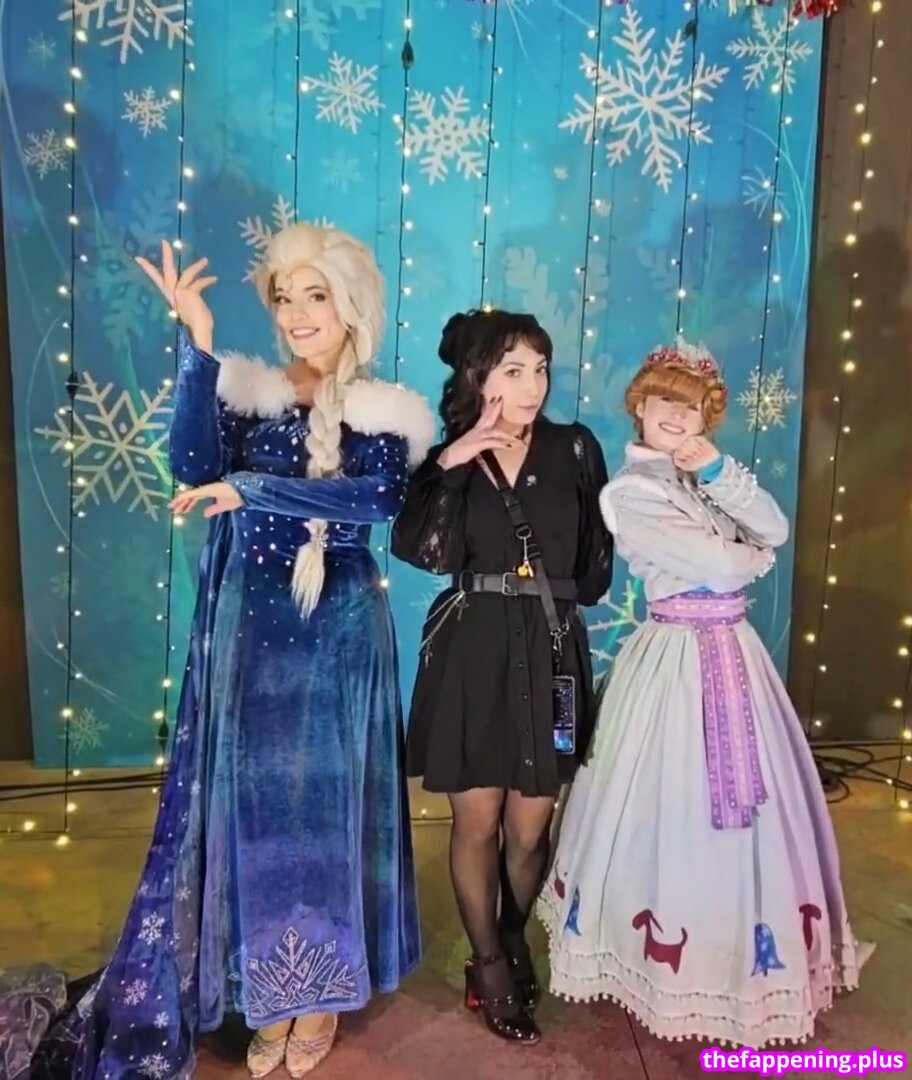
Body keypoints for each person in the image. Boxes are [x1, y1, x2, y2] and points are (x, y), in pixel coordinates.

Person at [31, 223, 433, 1079]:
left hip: (337, 634)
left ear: (351, 304)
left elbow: (375, 499)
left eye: (313, 295)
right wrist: (200, 344)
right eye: (284, 298)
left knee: (325, 813)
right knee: (258, 812)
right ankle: (270, 987)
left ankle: (320, 994)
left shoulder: (384, 409)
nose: (295, 313)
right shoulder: (251, 392)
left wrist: (250, 489)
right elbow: (191, 463)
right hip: (250, 630)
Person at [538, 339, 874, 1047]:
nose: (675, 415)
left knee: (759, 813)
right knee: (671, 803)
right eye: (664, 400)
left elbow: (774, 528)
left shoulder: (704, 475)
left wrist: (719, 475)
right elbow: (721, 566)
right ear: (640, 404)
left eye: (690, 407)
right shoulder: (630, 492)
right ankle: (667, 965)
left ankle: (743, 960)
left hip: (734, 655)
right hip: (675, 658)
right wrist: (750, 556)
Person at [391, 309, 612, 1045]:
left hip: (551, 654)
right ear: (477, 376)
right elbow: (423, 551)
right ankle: (488, 965)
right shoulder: (446, 458)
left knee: (529, 827)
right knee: (477, 823)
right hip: (472, 656)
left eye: (539, 368)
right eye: (514, 370)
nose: (532, 385)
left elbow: (596, 566)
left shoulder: (575, 447)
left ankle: (511, 938)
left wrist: (547, 599)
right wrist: (455, 461)